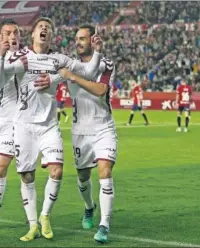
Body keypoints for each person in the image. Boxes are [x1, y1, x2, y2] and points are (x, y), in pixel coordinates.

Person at [7, 17, 102, 241]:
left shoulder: (58, 59)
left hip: (49, 125)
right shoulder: (21, 57)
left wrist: (58, 76)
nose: (44, 30)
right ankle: (32, 225)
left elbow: (88, 71)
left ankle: (45, 216)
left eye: (48, 29)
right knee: (27, 175)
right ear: (32, 34)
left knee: (57, 171)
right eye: (41, 27)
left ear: (52, 36)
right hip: (23, 125)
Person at [0, 18, 41, 241]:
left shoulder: (26, 55)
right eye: (8, 33)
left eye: (16, 33)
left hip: (13, 119)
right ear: (0, 37)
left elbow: (1, 78)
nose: (12, 36)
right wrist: (0, 59)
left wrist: (2, 62)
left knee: (0, 168)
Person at [57, 24, 117, 244]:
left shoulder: (105, 64)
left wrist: (73, 78)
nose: (78, 42)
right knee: (83, 176)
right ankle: (89, 207)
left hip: (103, 127)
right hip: (80, 130)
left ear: (94, 40)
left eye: (82, 38)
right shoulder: (70, 64)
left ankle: (104, 225)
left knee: (105, 170)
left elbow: (101, 91)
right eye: (76, 38)